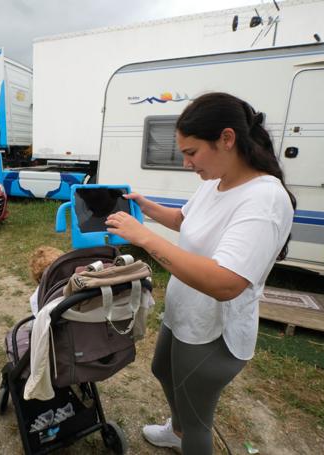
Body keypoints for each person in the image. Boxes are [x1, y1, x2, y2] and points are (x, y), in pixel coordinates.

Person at [105, 92, 295, 455]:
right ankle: (176, 433)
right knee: (163, 370)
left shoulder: (264, 199)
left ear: (227, 138)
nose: (187, 163)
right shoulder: (216, 180)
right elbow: (184, 220)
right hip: (185, 311)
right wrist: (147, 209)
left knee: (198, 421)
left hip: (214, 329)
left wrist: (144, 237)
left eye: (191, 153)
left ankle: (186, 435)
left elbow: (225, 282)